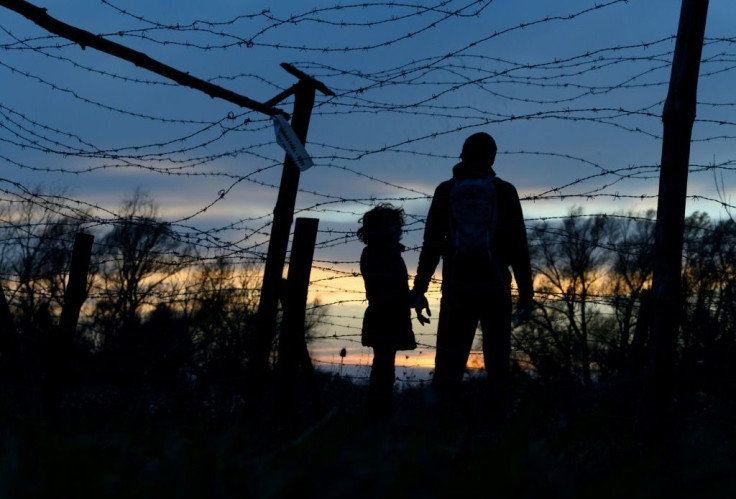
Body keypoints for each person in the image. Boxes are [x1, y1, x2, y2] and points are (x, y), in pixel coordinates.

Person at [412, 131, 533, 397]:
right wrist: (526, 291)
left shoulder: (446, 190)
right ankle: (497, 424)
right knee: (498, 360)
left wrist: (419, 288)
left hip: (458, 285)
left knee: (449, 362)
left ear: (462, 155)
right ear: (492, 158)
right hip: (496, 284)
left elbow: (431, 244)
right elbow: (518, 246)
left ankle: (443, 423)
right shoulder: (504, 191)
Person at [357, 203, 419, 415]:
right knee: (383, 366)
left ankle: (378, 411)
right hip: (386, 316)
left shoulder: (386, 252)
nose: (399, 230)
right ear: (381, 228)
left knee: (384, 365)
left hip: (387, 314)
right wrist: (411, 299)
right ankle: (377, 413)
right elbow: (389, 287)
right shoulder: (380, 253)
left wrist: (412, 299)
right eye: (394, 225)